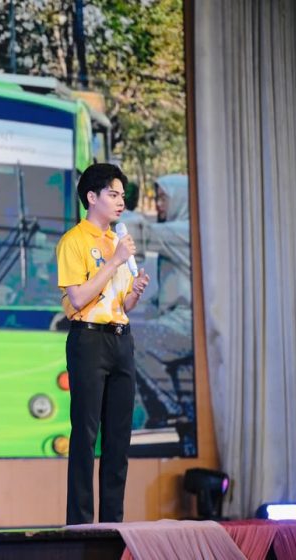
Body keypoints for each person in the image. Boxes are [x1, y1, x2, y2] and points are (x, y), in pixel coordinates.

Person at [56, 163, 151, 524]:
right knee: (85, 435)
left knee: (118, 438)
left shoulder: (118, 242)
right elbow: (78, 298)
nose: (120, 202)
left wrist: (135, 291)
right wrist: (114, 262)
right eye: (113, 194)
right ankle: (80, 524)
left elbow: (122, 304)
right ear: (92, 197)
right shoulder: (74, 241)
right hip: (89, 340)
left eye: (122, 195)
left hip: (121, 341)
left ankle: (113, 524)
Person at [127, 175, 195, 448]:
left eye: (163, 198)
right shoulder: (179, 232)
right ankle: (180, 421)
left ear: (181, 199)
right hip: (178, 323)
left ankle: (168, 409)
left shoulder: (185, 232)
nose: (158, 204)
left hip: (187, 325)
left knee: (131, 338)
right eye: (157, 198)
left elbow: (141, 233)